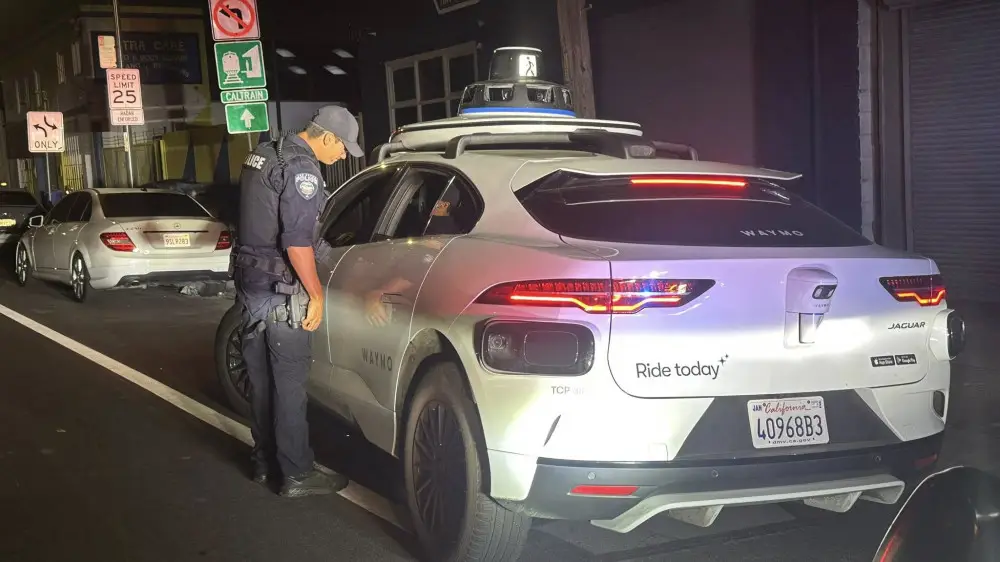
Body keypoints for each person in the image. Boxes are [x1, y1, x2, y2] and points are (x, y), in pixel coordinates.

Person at [232, 106, 364, 498]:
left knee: (261, 381)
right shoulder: (302, 168)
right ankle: (296, 472)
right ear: (327, 137)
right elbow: (296, 241)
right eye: (343, 147)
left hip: (252, 286)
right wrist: (316, 294)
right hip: (281, 292)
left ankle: (264, 463)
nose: (343, 155)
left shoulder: (265, 153)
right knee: (289, 384)